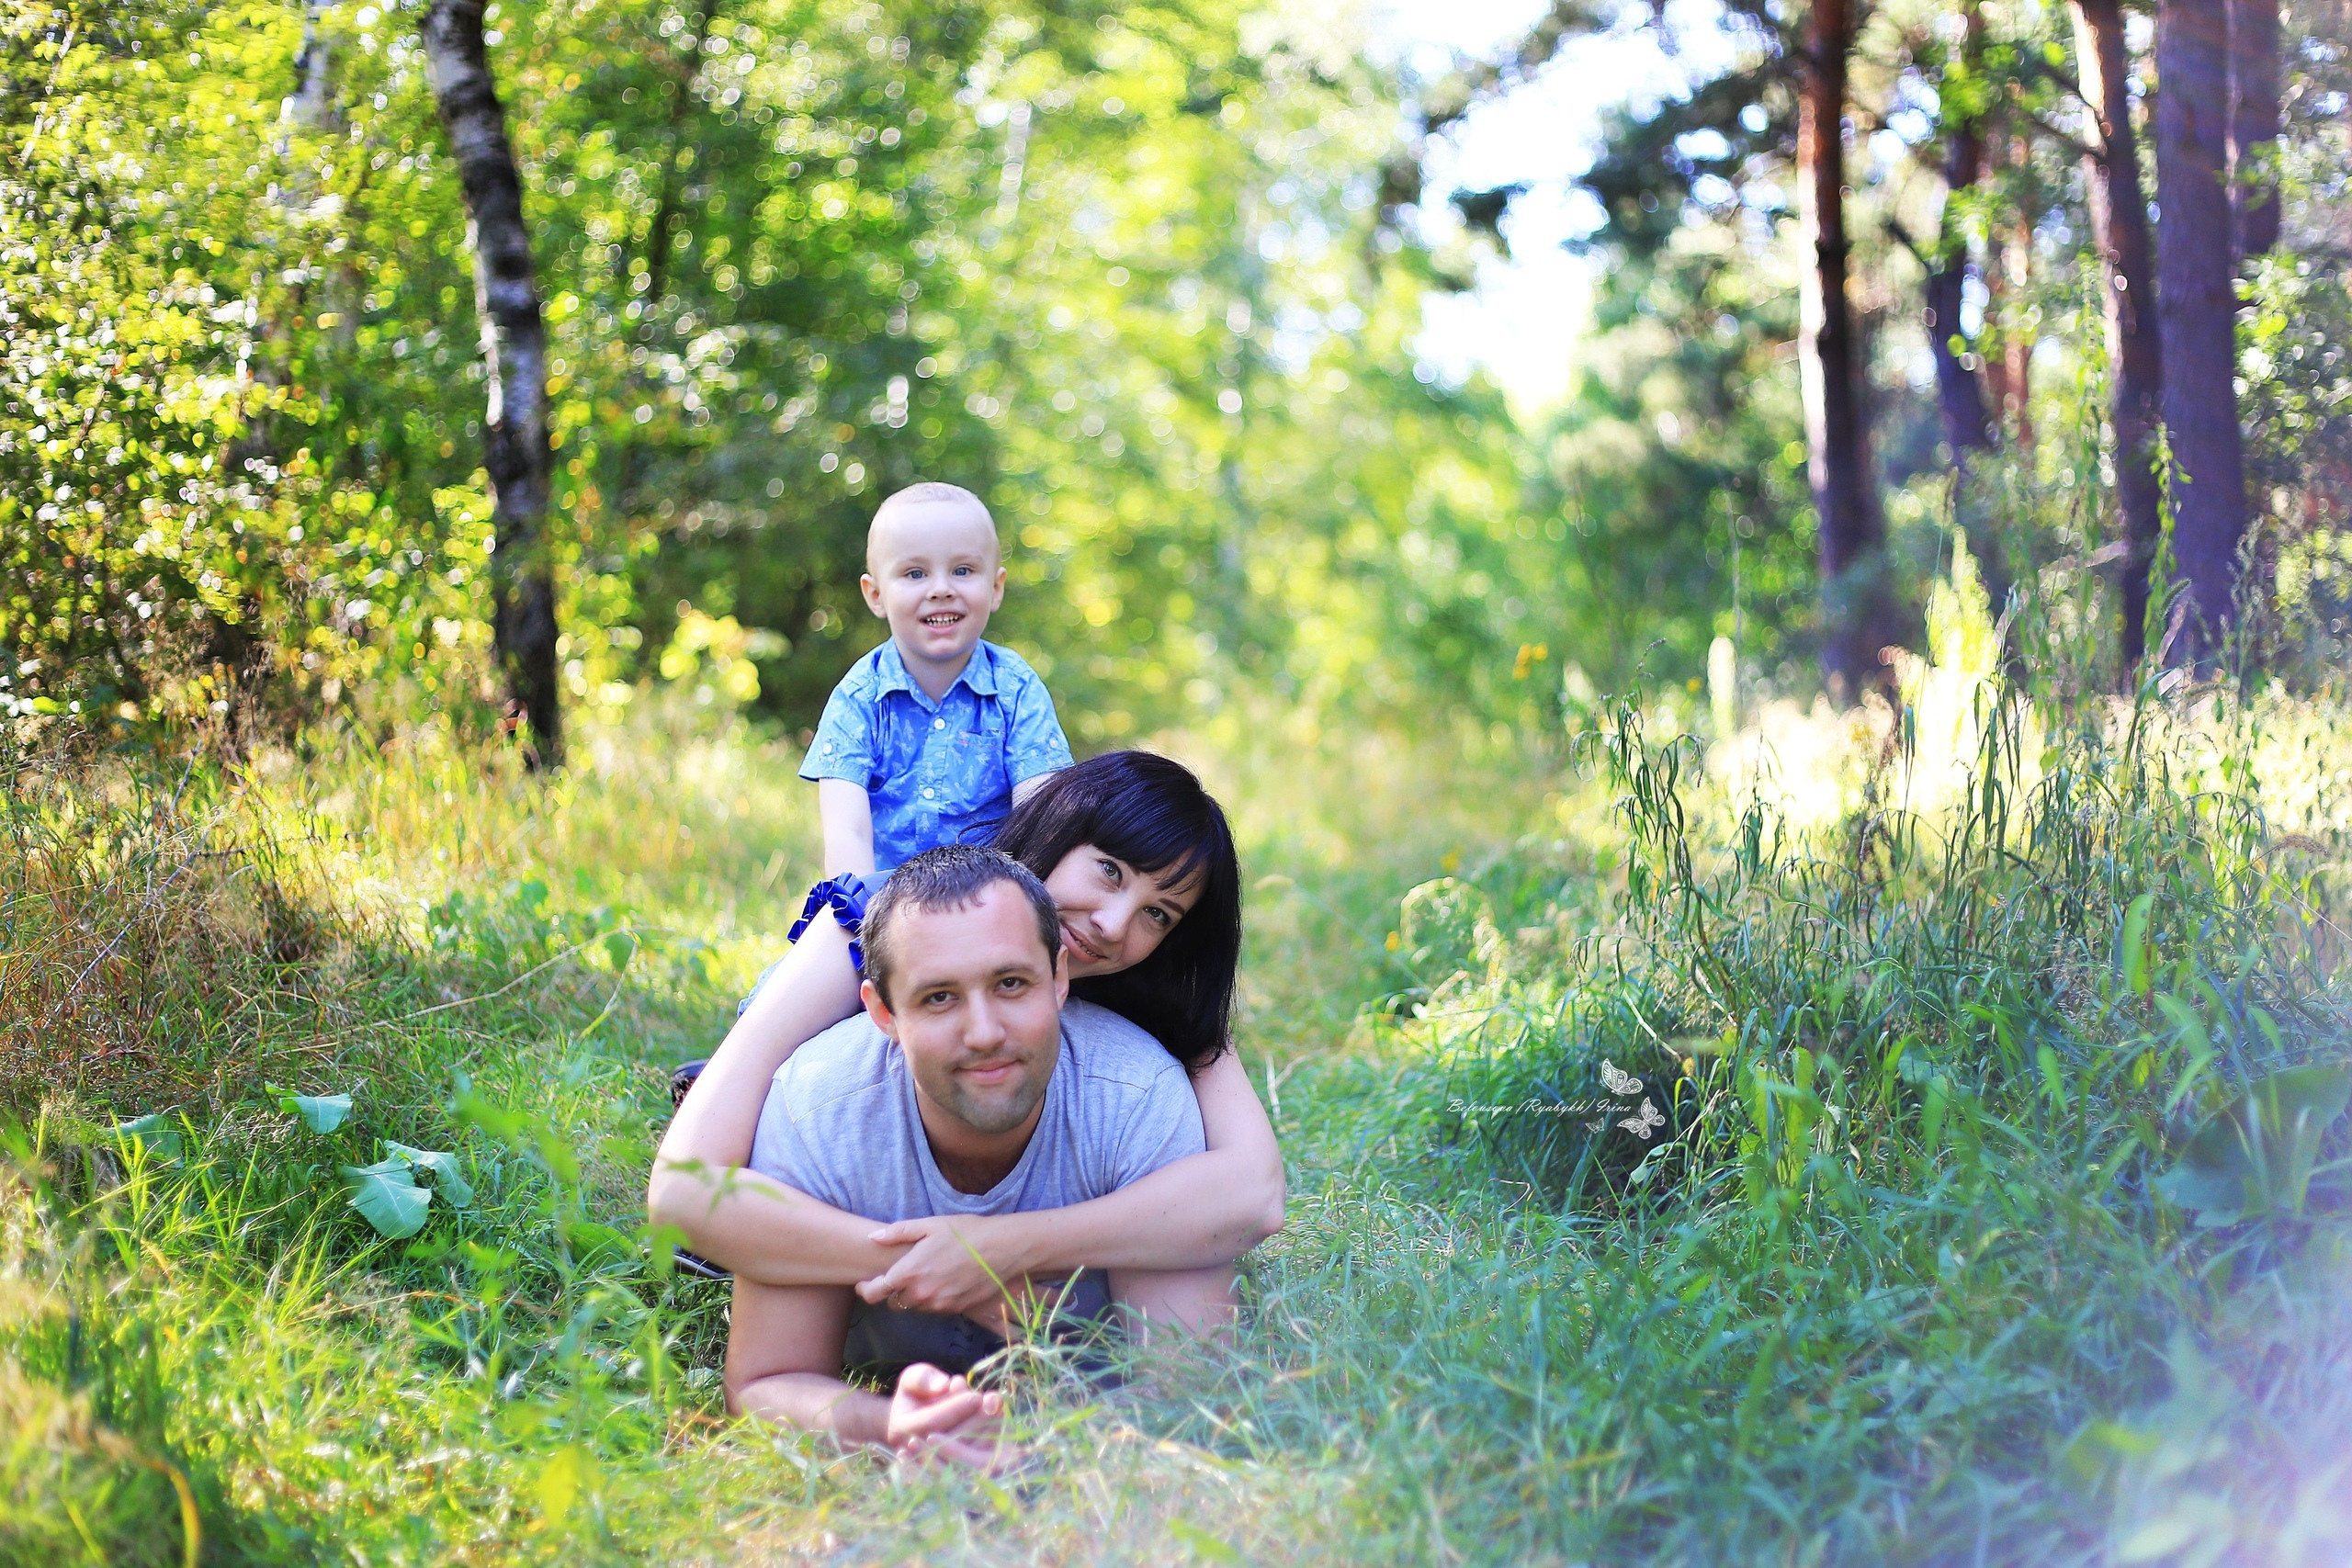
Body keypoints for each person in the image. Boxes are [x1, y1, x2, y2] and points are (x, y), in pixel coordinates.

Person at [648, 751, 1283, 1444]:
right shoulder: (889, 921)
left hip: (1015, 1163)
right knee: (788, 1120)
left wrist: (999, 1248)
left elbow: (1254, 1192)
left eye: (1158, 913)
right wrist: (929, 1262)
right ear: (1059, 826)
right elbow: (685, 1189)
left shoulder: (1144, 1014)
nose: (1113, 923)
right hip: (847, 1144)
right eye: (1109, 871)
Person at [725, 845, 1214, 1464]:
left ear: (1059, 978)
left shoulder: (1138, 1098)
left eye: (1011, 983)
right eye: (938, 998)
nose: (984, 1033)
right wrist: (890, 1424)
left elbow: (1193, 1390)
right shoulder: (818, 1106)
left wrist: (1039, 1446)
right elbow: (762, 1382)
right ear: (881, 1011)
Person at [804, 480, 1073, 879]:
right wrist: (857, 920)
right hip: (882, 905)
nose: (941, 589)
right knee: (812, 942)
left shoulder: (1015, 690)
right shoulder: (859, 697)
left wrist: (1026, 911)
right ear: (876, 595)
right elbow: (848, 833)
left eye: (963, 570)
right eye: (915, 573)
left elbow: (1042, 816)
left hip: (988, 902)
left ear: (996, 588)